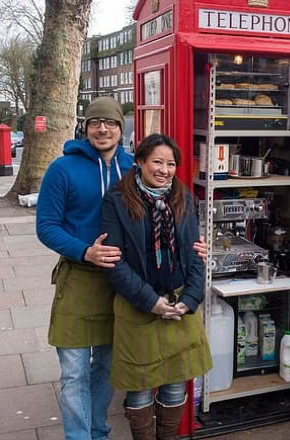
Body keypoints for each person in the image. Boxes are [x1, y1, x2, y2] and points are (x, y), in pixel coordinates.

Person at [37, 97, 207, 440]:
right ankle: (79, 436)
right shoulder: (62, 169)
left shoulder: (134, 166)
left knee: (104, 367)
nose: (103, 129)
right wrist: (86, 252)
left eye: (111, 123)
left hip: (124, 284)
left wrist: (193, 245)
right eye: (95, 122)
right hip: (81, 278)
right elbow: (46, 226)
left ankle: (98, 430)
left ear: (121, 128)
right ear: (85, 127)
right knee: (73, 371)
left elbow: (168, 211)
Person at [101, 134, 212, 440]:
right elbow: (115, 262)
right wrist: (151, 301)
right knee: (139, 389)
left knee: (176, 384)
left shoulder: (184, 197)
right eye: (157, 162)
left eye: (171, 163)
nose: (164, 170)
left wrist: (190, 298)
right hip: (139, 305)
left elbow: (195, 253)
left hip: (179, 304)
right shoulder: (118, 200)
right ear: (140, 162)